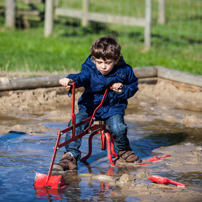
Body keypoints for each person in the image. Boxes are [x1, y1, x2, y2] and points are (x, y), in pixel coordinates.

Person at [53, 36, 142, 171]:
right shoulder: (90, 68)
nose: (103, 66)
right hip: (90, 106)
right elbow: (82, 77)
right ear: (94, 59)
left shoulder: (125, 70)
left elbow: (133, 86)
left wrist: (122, 89)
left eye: (108, 62)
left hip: (113, 107)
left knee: (119, 128)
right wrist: (71, 80)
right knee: (74, 124)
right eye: (99, 62)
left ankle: (123, 149)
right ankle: (70, 156)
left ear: (116, 60)